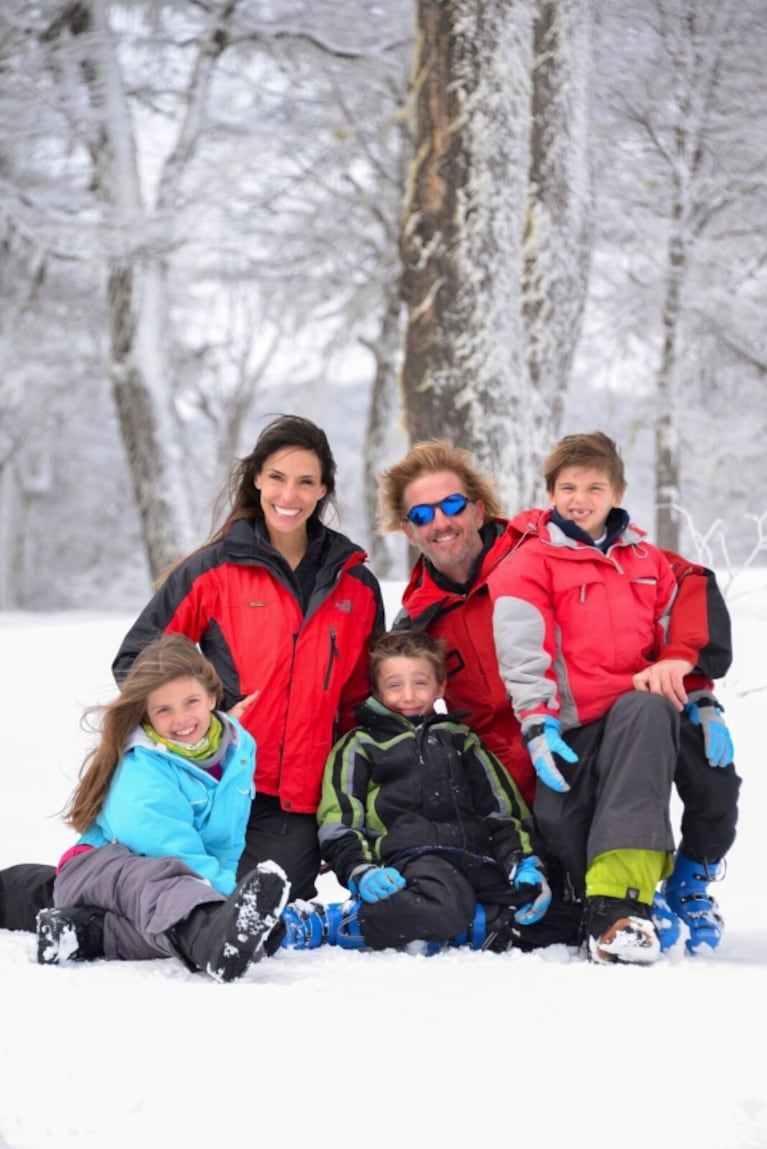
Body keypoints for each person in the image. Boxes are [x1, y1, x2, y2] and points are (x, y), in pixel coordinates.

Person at [0, 415, 385, 931]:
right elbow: (138, 660)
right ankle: (38, 891)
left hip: (293, 798)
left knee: (243, 908)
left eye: (305, 481)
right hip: (208, 785)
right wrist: (208, 714)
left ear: (323, 490)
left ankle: (92, 915)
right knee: (183, 888)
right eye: (277, 477)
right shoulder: (213, 570)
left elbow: (362, 702)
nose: (288, 493)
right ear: (256, 480)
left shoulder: (355, 584)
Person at [377, 437, 739, 958]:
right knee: (538, 915)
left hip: (596, 741)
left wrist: (690, 671)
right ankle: (599, 904)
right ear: (409, 529)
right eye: (423, 512)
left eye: (453, 504)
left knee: (690, 752)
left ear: (478, 510)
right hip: (522, 796)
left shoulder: (543, 549)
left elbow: (682, 580)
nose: (442, 520)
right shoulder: (417, 621)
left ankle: (676, 885)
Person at [485, 430, 734, 964]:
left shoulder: (648, 563)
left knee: (717, 785)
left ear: (617, 493)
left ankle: (642, 900)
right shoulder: (528, 565)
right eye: (568, 486)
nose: (580, 498)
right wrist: (536, 723)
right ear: (550, 493)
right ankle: (626, 895)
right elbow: (522, 651)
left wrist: (703, 700)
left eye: (594, 486)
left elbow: (672, 643)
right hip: (579, 728)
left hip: (649, 714)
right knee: (562, 824)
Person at [278, 630, 581, 953]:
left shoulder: (462, 740)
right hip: (407, 864)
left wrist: (524, 863)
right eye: (394, 685)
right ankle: (329, 922)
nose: (408, 695)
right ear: (378, 691)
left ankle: (457, 926)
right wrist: (360, 870)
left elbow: (502, 810)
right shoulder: (360, 745)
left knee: (563, 921)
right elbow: (339, 819)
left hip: (476, 860)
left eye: (420, 683)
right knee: (444, 902)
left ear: (440, 686)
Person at [36, 634, 289, 983]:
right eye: (164, 710)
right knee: (165, 882)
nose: (181, 718)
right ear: (147, 715)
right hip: (99, 867)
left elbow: (226, 841)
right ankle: (208, 939)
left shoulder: (238, 748)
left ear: (213, 697)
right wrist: (224, 898)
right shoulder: (143, 765)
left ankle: (89, 933)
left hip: (152, 892)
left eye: (191, 702)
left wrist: (230, 900)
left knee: (168, 911)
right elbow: (167, 847)